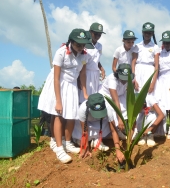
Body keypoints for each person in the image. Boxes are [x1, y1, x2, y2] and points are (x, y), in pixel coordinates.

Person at [38, 28, 92, 163]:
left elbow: (83, 74)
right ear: (71, 42)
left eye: (83, 44)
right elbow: (56, 78)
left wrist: (84, 92)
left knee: (72, 115)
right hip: (59, 84)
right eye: (78, 44)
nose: (81, 47)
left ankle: (68, 143)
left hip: (72, 85)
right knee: (58, 114)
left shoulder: (84, 55)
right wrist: (58, 101)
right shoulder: (61, 52)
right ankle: (59, 147)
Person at [72, 93, 125, 163]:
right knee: (78, 131)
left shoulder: (108, 109)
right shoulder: (83, 109)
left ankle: (97, 139)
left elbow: (113, 131)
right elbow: (84, 131)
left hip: (101, 124)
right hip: (88, 124)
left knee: (110, 126)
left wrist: (118, 151)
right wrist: (86, 149)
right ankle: (93, 140)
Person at [99, 63, 135, 139]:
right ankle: (116, 131)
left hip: (120, 95)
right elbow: (115, 100)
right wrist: (120, 119)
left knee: (128, 109)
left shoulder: (129, 79)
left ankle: (126, 129)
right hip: (108, 96)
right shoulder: (112, 79)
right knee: (111, 111)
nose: (124, 81)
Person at [155, 30, 170, 132]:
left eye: (168, 42)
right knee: (163, 103)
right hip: (162, 79)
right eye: (164, 42)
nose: (166, 44)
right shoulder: (160, 53)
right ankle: (163, 128)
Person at [78, 22, 106, 104]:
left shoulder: (99, 46)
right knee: (83, 97)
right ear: (90, 32)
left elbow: (96, 60)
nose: (98, 36)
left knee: (94, 96)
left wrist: (101, 68)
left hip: (95, 74)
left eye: (99, 34)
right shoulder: (85, 44)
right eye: (96, 34)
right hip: (86, 73)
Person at [132, 22, 159, 95]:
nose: (147, 35)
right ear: (142, 32)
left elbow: (156, 66)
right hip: (138, 71)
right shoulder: (137, 46)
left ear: (152, 33)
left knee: (149, 96)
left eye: (149, 33)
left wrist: (153, 83)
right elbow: (133, 62)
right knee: (137, 95)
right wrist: (134, 79)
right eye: (145, 32)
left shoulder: (155, 47)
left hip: (149, 71)